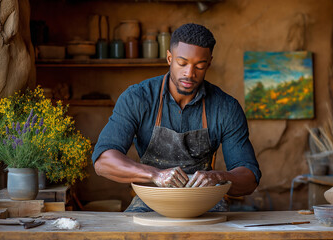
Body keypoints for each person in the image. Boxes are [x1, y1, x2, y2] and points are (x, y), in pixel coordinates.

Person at [92, 23, 261, 212]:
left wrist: (219, 177)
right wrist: (155, 174)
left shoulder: (226, 107)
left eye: (199, 66)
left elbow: (250, 177)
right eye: (182, 63)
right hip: (150, 199)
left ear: (209, 63)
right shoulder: (138, 98)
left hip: (204, 201)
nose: (189, 73)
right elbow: (103, 161)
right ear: (169, 58)